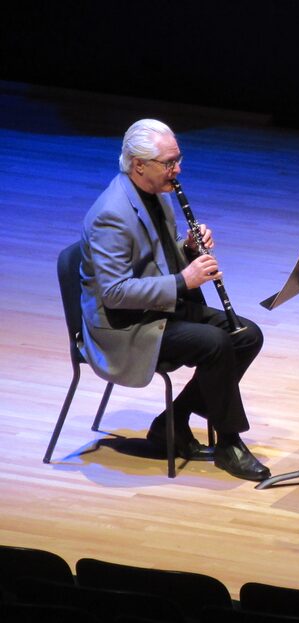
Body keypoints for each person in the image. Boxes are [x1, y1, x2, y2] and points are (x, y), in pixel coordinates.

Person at [79, 118, 270, 482]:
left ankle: (172, 421)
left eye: (177, 159)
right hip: (125, 326)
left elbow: (160, 260)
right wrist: (185, 279)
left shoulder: (158, 195)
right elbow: (115, 293)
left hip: (157, 309)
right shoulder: (111, 214)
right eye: (169, 162)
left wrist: (187, 249)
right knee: (214, 343)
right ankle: (230, 444)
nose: (177, 169)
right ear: (139, 165)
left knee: (247, 334)